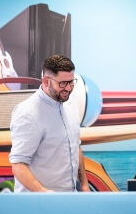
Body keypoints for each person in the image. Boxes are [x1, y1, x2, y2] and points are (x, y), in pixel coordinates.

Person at [9, 55, 90, 192]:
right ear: (46, 81)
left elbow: (75, 146)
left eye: (72, 81)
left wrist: (84, 184)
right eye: (63, 83)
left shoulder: (71, 104)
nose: (69, 88)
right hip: (39, 203)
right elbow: (18, 164)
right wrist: (44, 193)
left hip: (70, 197)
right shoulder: (27, 113)